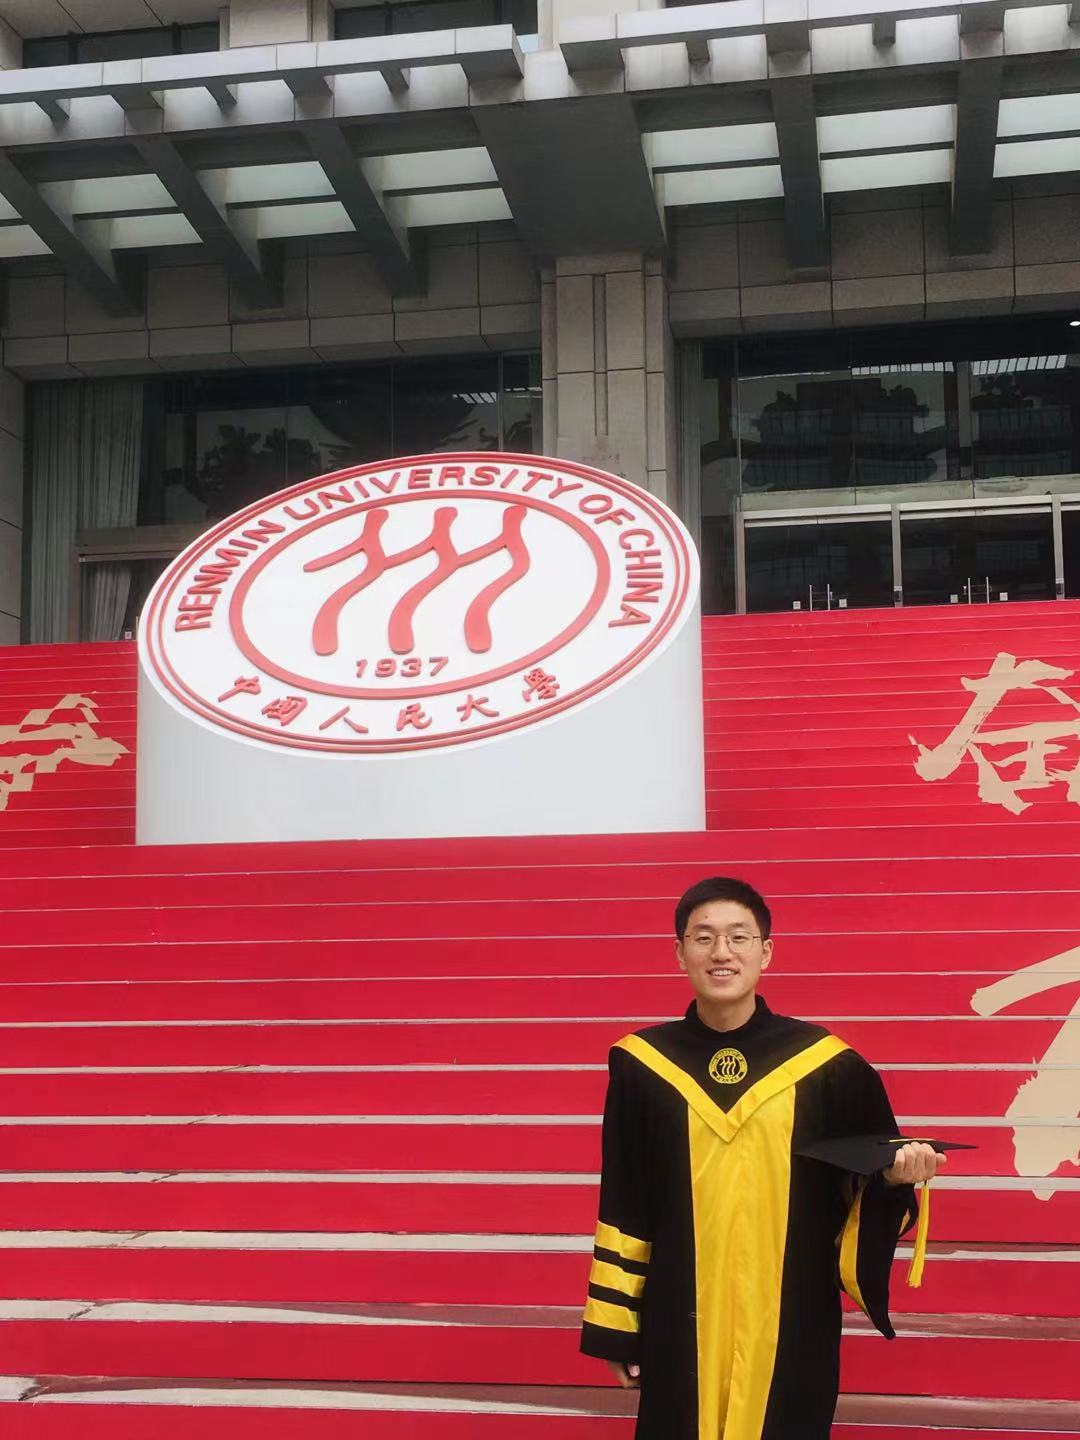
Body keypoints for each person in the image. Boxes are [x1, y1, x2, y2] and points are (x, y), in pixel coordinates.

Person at [580, 875, 946, 1440]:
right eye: (703, 938)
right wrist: (617, 1326)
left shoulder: (829, 1068)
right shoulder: (643, 1067)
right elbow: (625, 1201)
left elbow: (865, 1181)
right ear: (680, 952)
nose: (721, 952)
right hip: (679, 1313)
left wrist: (896, 1181)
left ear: (766, 952)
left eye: (738, 937)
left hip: (792, 1313)